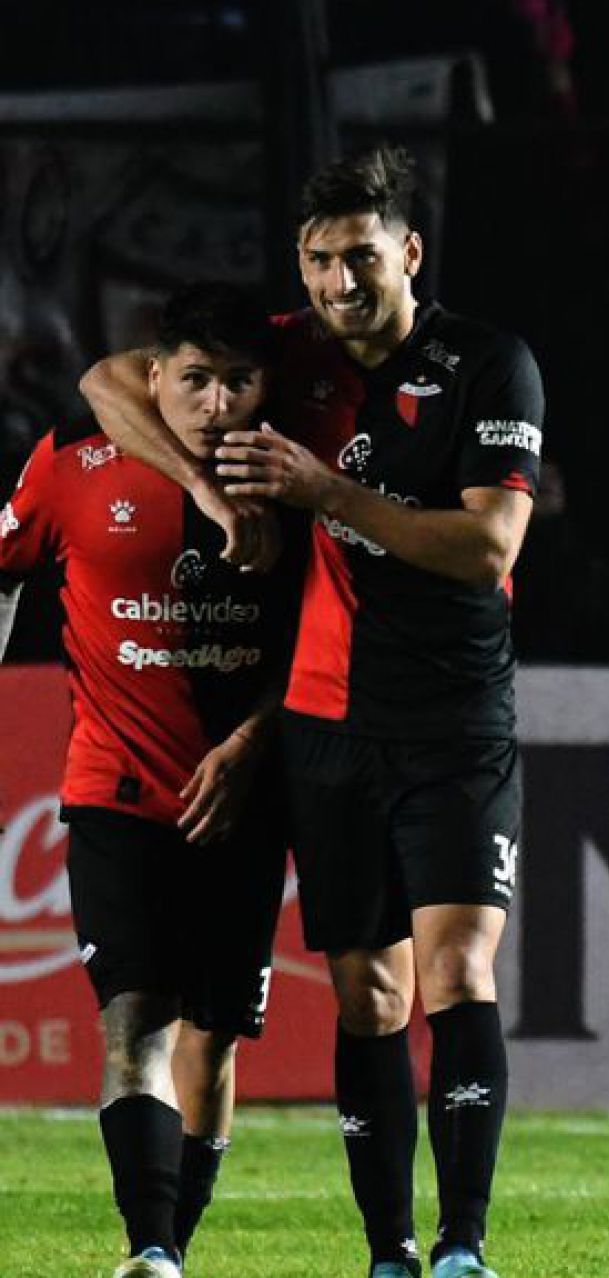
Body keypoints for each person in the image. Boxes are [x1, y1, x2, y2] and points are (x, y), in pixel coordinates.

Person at [81, 147, 542, 1278]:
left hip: (452, 717)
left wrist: (324, 491)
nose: (343, 282)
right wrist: (202, 489)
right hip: (328, 727)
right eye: (323, 259)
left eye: (364, 258)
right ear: (303, 262)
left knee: (456, 968)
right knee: (368, 990)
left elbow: (486, 548)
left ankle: (462, 1244)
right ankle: (388, 1248)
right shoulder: (291, 355)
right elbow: (107, 381)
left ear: (410, 255)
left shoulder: (486, 364)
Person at [1, 283, 296, 1278]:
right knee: (134, 1018)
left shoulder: (293, 481)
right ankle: (153, 1249)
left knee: (214, 1045)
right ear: (156, 374)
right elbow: (5, 560)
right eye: (197, 379)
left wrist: (256, 740)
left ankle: (178, 1243)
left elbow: (327, 643)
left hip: (244, 806)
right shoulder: (75, 464)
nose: (216, 404)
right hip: (114, 794)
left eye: (238, 382)